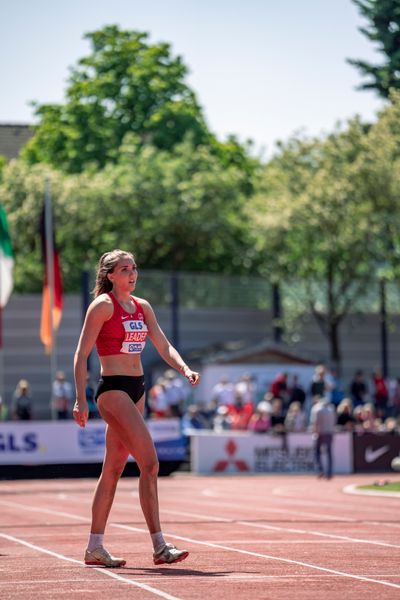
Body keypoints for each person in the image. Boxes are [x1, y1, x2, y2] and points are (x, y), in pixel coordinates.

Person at [72, 249, 200, 568]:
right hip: (113, 389)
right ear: (110, 275)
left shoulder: (142, 307)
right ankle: (159, 545)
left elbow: (162, 343)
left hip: (137, 387)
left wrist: (184, 368)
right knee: (151, 462)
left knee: (113, 469)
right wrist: (80, 398)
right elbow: (80, 354)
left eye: (134, 268)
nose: (132, 274)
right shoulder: (102, 306)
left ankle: (94, 547)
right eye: (125, 269)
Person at [309, 396, 336, 480]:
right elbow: (334, 422)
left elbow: (315, 422)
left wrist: (315, 432)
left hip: (320, 433)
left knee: (316, 452)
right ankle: (329, 472)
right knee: (329, 453)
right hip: (329, 433)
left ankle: (320, 469)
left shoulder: (316, 409)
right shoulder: (331, 409)